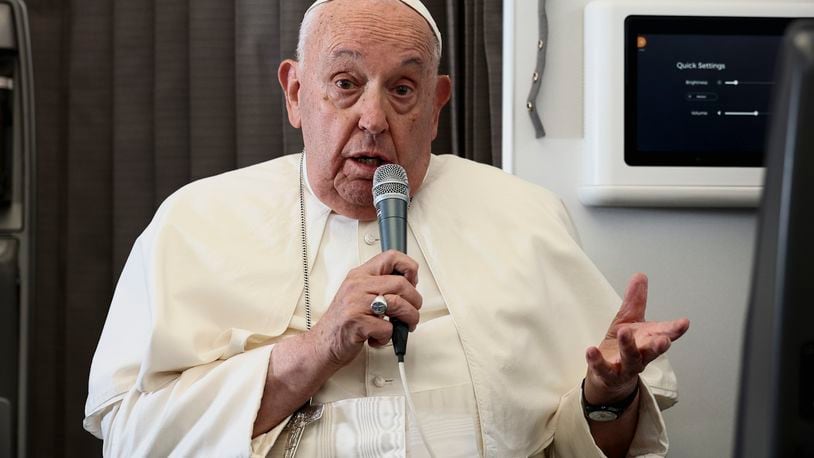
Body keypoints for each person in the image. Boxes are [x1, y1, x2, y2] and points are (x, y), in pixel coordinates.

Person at [84, 0, 690, 456]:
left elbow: (576, 449)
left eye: (402, 89)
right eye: (346, 84)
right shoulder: (194, 222)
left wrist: (607, 399)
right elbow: (133, 436)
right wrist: (318, 350)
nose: (373, 119)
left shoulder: (525, 217)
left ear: (436, 107)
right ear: (297, 94)